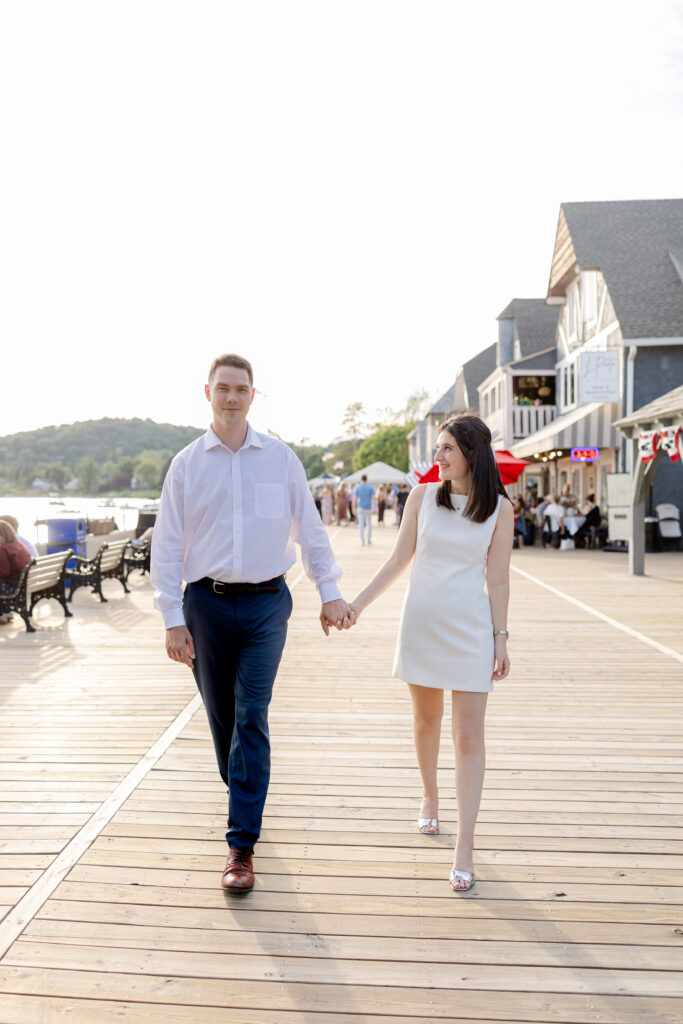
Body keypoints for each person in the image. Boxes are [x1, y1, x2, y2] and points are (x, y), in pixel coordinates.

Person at [151, 354, 355, 892]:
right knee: (223, 719)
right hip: (206, 605)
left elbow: (309, 530)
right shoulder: (187, 464)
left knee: (251, 712)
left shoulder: (281, 459)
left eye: (241, 389)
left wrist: (329, 593)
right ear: (208, 393)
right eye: (223, 388)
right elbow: (168, 545)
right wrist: (172, 618)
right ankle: (244, 793)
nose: (232, 397)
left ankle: (240, 846)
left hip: (268, 603)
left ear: (253, 395)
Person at [349, 414, 513, 893]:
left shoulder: (501, 509)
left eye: (445, 449)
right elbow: (399, 559)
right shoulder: (422, 497)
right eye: (437, 447)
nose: (436, 457)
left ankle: (465, 844)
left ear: (471, 455)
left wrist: (501, 638)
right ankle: (429, 795)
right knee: (426, 721)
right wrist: (357, 604)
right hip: (421, 623)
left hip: (470, 630)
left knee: (467, 738)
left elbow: (498, 578)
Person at [0, 520, 33, 623]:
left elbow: (4, 572)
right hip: (22, 583)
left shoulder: (3, 549)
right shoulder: (19, 545)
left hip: (12, 585)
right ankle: (6, 613)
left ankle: (2, 615)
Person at [353, 474, 375, 546]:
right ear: (366, 479)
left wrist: (353, 508)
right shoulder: (370, 487)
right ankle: (368, 539)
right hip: (368, 507)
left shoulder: (358, 487)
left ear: (361, 479)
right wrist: (374, 507)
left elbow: (355, 499)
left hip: (360, 507)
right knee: (369, 524)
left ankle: (362, 540)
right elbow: (373, 498)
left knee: (361, 524)